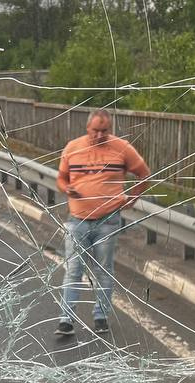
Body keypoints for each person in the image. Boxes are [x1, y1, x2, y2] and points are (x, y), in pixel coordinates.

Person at [55, 109, 151, 335]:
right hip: (77, 220)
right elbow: (61, 178)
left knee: (103, 270)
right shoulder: (73, 148)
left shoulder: (123, 148)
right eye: (95, 131)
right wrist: (66, 189)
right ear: (87, 128)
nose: (99, 135)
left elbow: (145, 175)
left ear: (111, 129)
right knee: (74, 270)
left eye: (104, 131)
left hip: (107, 221)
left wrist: (133, 199)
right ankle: (66, 320)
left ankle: (101, 317)